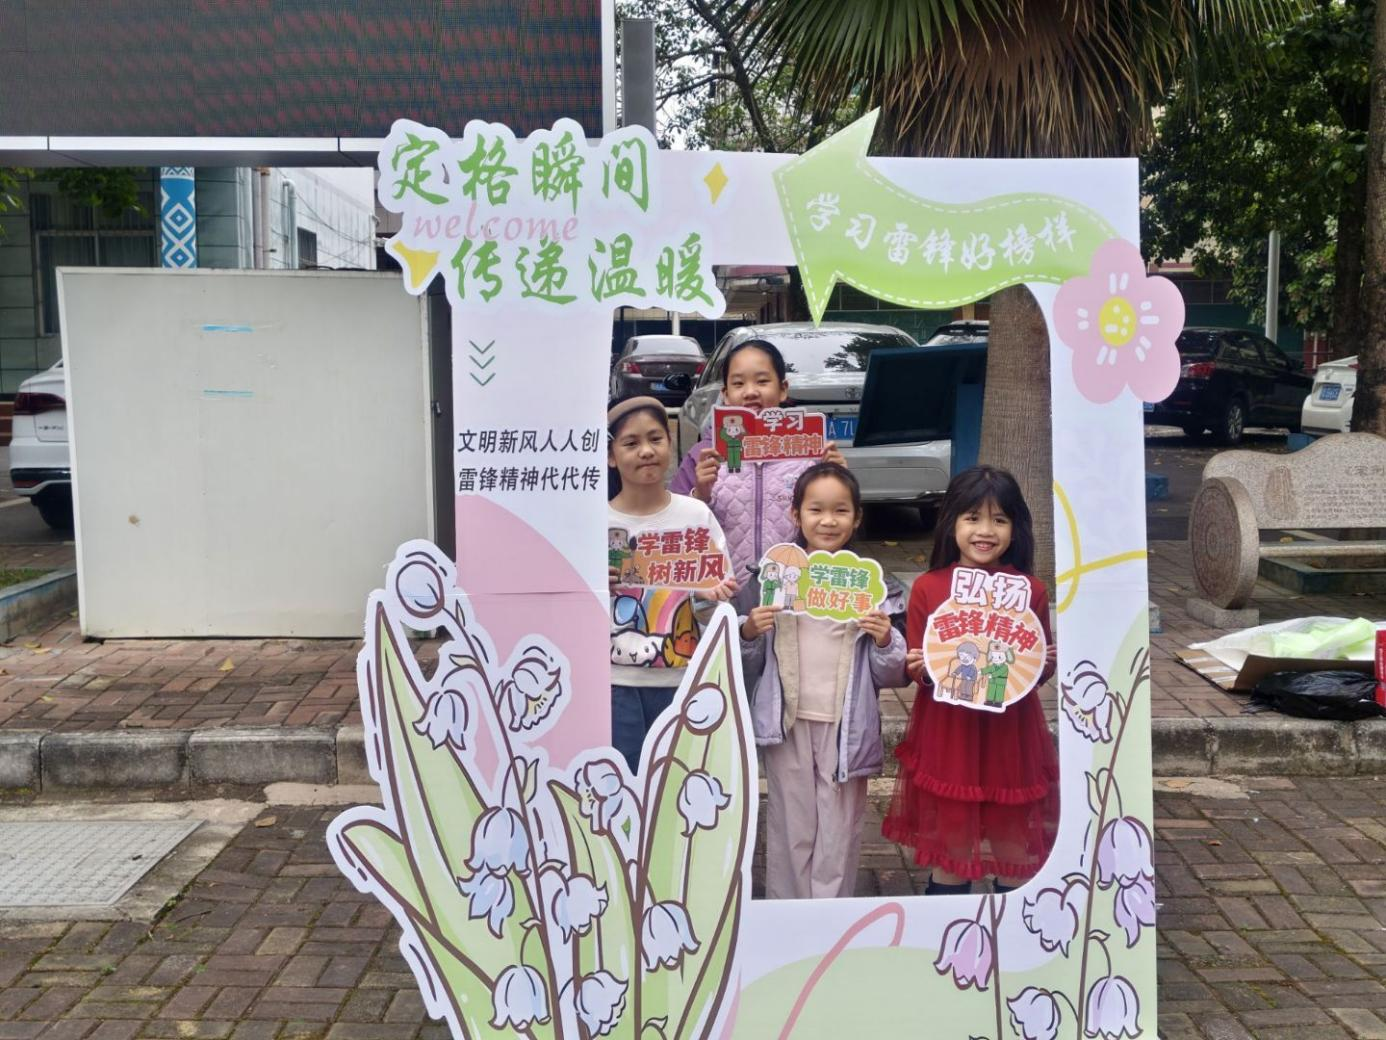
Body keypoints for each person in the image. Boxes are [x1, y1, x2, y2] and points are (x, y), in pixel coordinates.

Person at [883, 465, 1059, 895]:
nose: (985, 531)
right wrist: (920, 669)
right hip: (950, 732)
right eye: (972, 518)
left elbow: (1034, 670)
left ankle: (1013, 928)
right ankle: (947, 923)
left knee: (1013, 844)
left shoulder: (1031, 590)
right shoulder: (928, 588)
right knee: (952, 846)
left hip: (1010, 735)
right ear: (951, 524)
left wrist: (1045, 663)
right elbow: (919, 664)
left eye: (999, 519)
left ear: (1015, 529)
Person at [739, 463, 906, 899]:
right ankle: (789, 914)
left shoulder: (876, 588)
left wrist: (886, 639)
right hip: (787, 723)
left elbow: (892, 674)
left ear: (857, 517)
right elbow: (743, 661)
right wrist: (748, 631)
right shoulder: (770, 578)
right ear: (796, 514)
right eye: (816, 509)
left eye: (840, 510)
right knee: (790, 824)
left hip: (846, 728)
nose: (828, 521)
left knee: (839, 830)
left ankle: (831, 918)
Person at [607, 396, 736, 776]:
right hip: (615, 684)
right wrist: (595, 588)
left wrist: (707, 597)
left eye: (655, 439)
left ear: (670, 443)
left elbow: (717, 603)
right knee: (623, 785)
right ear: (611, 456)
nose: (646, 451)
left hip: (683, 679)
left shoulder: (695, 515)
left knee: (675, 783)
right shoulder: (595, 521)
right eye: (631, 443)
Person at [670, 339, 845, 601]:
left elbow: (837, 524)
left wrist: (839, 481)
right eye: (738, 383)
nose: (750, 392)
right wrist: (700, 494)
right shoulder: (705, 455)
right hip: (723, 596)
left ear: (783, 389)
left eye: (762, 381)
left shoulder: (811, 455)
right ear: (725, 394)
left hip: (794, 594)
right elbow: (673, 525)